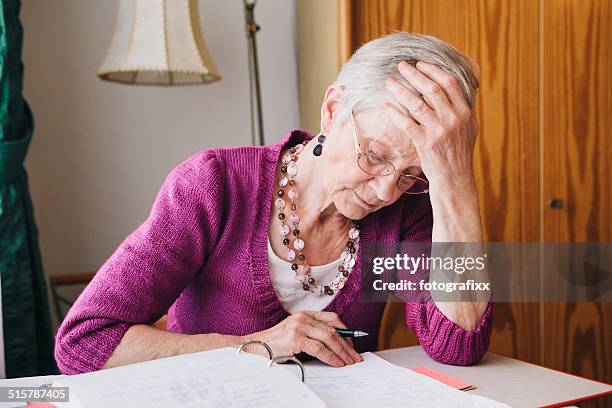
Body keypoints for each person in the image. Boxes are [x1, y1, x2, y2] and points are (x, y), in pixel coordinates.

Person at [54, 32, 492, 374]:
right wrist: (256, 345)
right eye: (374, 156)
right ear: (333, 109)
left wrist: (453, 181)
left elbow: (457, 344)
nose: (384, 192)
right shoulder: (214, 185)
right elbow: (84, 343)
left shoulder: (408, 211)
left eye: (412, 174)